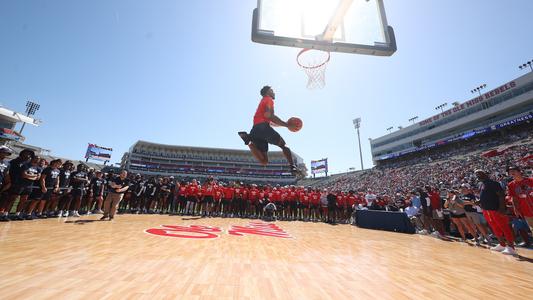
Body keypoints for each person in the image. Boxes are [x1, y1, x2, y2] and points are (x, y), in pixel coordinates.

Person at [238, 86, 301, 177]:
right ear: (267, 92)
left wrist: (284, 124)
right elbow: (269, 116)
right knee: (284, 146)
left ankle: (248, 140)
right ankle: (292, 166)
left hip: (255, 130)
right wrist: (287, 125)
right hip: (263, 128)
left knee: (264, 161)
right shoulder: (268, 99)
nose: (274, 92)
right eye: (272, 91)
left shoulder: (263, 101)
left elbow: (270, 120)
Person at [475, 169, 517, 255]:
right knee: (495, 228)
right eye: (476, 174)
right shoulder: (482, 184)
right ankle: (502, 244)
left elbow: (501, 195)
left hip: (496, 209)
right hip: (487, 210)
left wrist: (501, 208)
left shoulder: (493, 183)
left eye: (480, 173)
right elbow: (486, 196)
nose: (478, 175)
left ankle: (511, 247)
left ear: (486, 174)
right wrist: (479, 201)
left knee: (504, 227)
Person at [507, 166, 532, 232]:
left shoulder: (530, 180)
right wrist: (515, 209)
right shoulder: (511, 185)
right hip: (526, 211)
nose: (511, 173)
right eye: (510, 172)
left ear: (519, 171)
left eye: (513, 171)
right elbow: (513, 197)